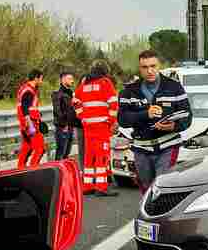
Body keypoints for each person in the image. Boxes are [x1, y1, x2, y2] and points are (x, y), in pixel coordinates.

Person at [118, 49, 192, 194]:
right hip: (141, 148)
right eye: (145, 67)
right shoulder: (129, 91)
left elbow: (187, 116)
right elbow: (122, 120)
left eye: (153, 66)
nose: (150, 71)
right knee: (146, 189)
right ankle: (148, 214)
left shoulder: (174, 87)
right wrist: (146, 114)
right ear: (140, 69)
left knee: (162, 186)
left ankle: (162, 216)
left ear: (159, 66)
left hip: (168, 146)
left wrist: (174, 126)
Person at [76, 60, 119, 196]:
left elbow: (75, 101)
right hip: (102, 125)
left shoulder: (84, 84)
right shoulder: (105, 83)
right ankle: (101, 187)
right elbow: (113, 102)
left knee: (90, 156)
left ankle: (87, 185)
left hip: (88, 126)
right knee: (102, 156)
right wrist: (111, 120)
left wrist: (82, 117)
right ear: (104, 71)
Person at [15, 69, 48, 169]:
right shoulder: (28, 91)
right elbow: (25, 108)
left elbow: (28, 108)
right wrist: (30, 124)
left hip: (25, 124)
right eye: (41, 79)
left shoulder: (24, 88)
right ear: (36, 78)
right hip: (30, 124)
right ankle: (33, 170)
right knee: (40, 148)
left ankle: (20, 169)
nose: (41, 82)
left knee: (27, 147)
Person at [51, 70, 79, 161]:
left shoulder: (70, 93)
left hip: (70, 126)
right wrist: (65, 124)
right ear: (63, 80)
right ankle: (57, 173)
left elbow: (72, 111)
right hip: (62, 127)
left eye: (72, 79)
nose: (72, 81)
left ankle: (64, 173)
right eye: (69, 78)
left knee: (66, 153)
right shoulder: (57, 94)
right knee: (60, 153)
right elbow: (57, 111)